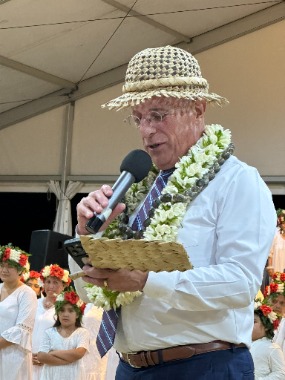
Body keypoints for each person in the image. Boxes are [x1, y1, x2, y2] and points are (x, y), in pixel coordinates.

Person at [75, 45, 277, 379]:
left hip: (204, 367)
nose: (146, 131)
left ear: (198, 109)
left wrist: (146, 280)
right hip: (129, 368)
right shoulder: (138, 190)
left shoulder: (238, 181)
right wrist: (88, 234)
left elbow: (241, 283)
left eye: (157, 115)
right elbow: (89, 294)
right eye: (138, 119)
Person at [0, 243, 37, 380]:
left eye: (10, 266)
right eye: (2, 265)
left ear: (21, 270)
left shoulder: (27, 294)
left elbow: (21, 330)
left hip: (13, 356)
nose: (4, 270)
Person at [37, 288, 89, 380]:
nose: (65, 314)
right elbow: (41, 356)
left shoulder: (82, 332)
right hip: (51, 375)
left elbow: (78, 353)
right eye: (62, 310)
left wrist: (53, 353)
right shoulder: (49, 333)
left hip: (73, 375)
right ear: (57, 313)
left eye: (70, 311)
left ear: (77, 314)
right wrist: (69, 360)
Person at [32, 263, 71, 380]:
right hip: (27, 356)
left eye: (56, 282)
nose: (51, 286)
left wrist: (47, 357)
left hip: (48, 361)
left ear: (63, 286)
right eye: (48, 282)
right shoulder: (34, 302)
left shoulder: (66, 309)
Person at [250, 299, 285, 379]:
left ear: (266, 326)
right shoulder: (243, 346)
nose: (249, 325)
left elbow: (281, 373)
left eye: (254, 322)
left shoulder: (272, 348)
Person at [264, 271, 285, 357]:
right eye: (274, 301)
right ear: (268, 302)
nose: (277, 306)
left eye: (282, 303)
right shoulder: (262, 321)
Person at [267, 209, 285, 277]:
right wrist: (270, 267)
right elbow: (270, 253)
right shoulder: (275, 235)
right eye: (283, 223)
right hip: (276, 271)